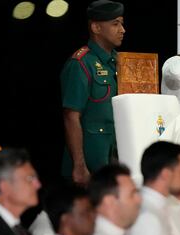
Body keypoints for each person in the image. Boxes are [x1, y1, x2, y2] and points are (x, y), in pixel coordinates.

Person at [60, 0, 125, 185]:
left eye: (122, 23)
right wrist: (79, 165)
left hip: (116, 165)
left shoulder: (120, 62)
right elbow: (71, 116)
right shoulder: (80, 63)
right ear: (96, 27)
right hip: (92, 167)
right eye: (115, 24)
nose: (122, 29)